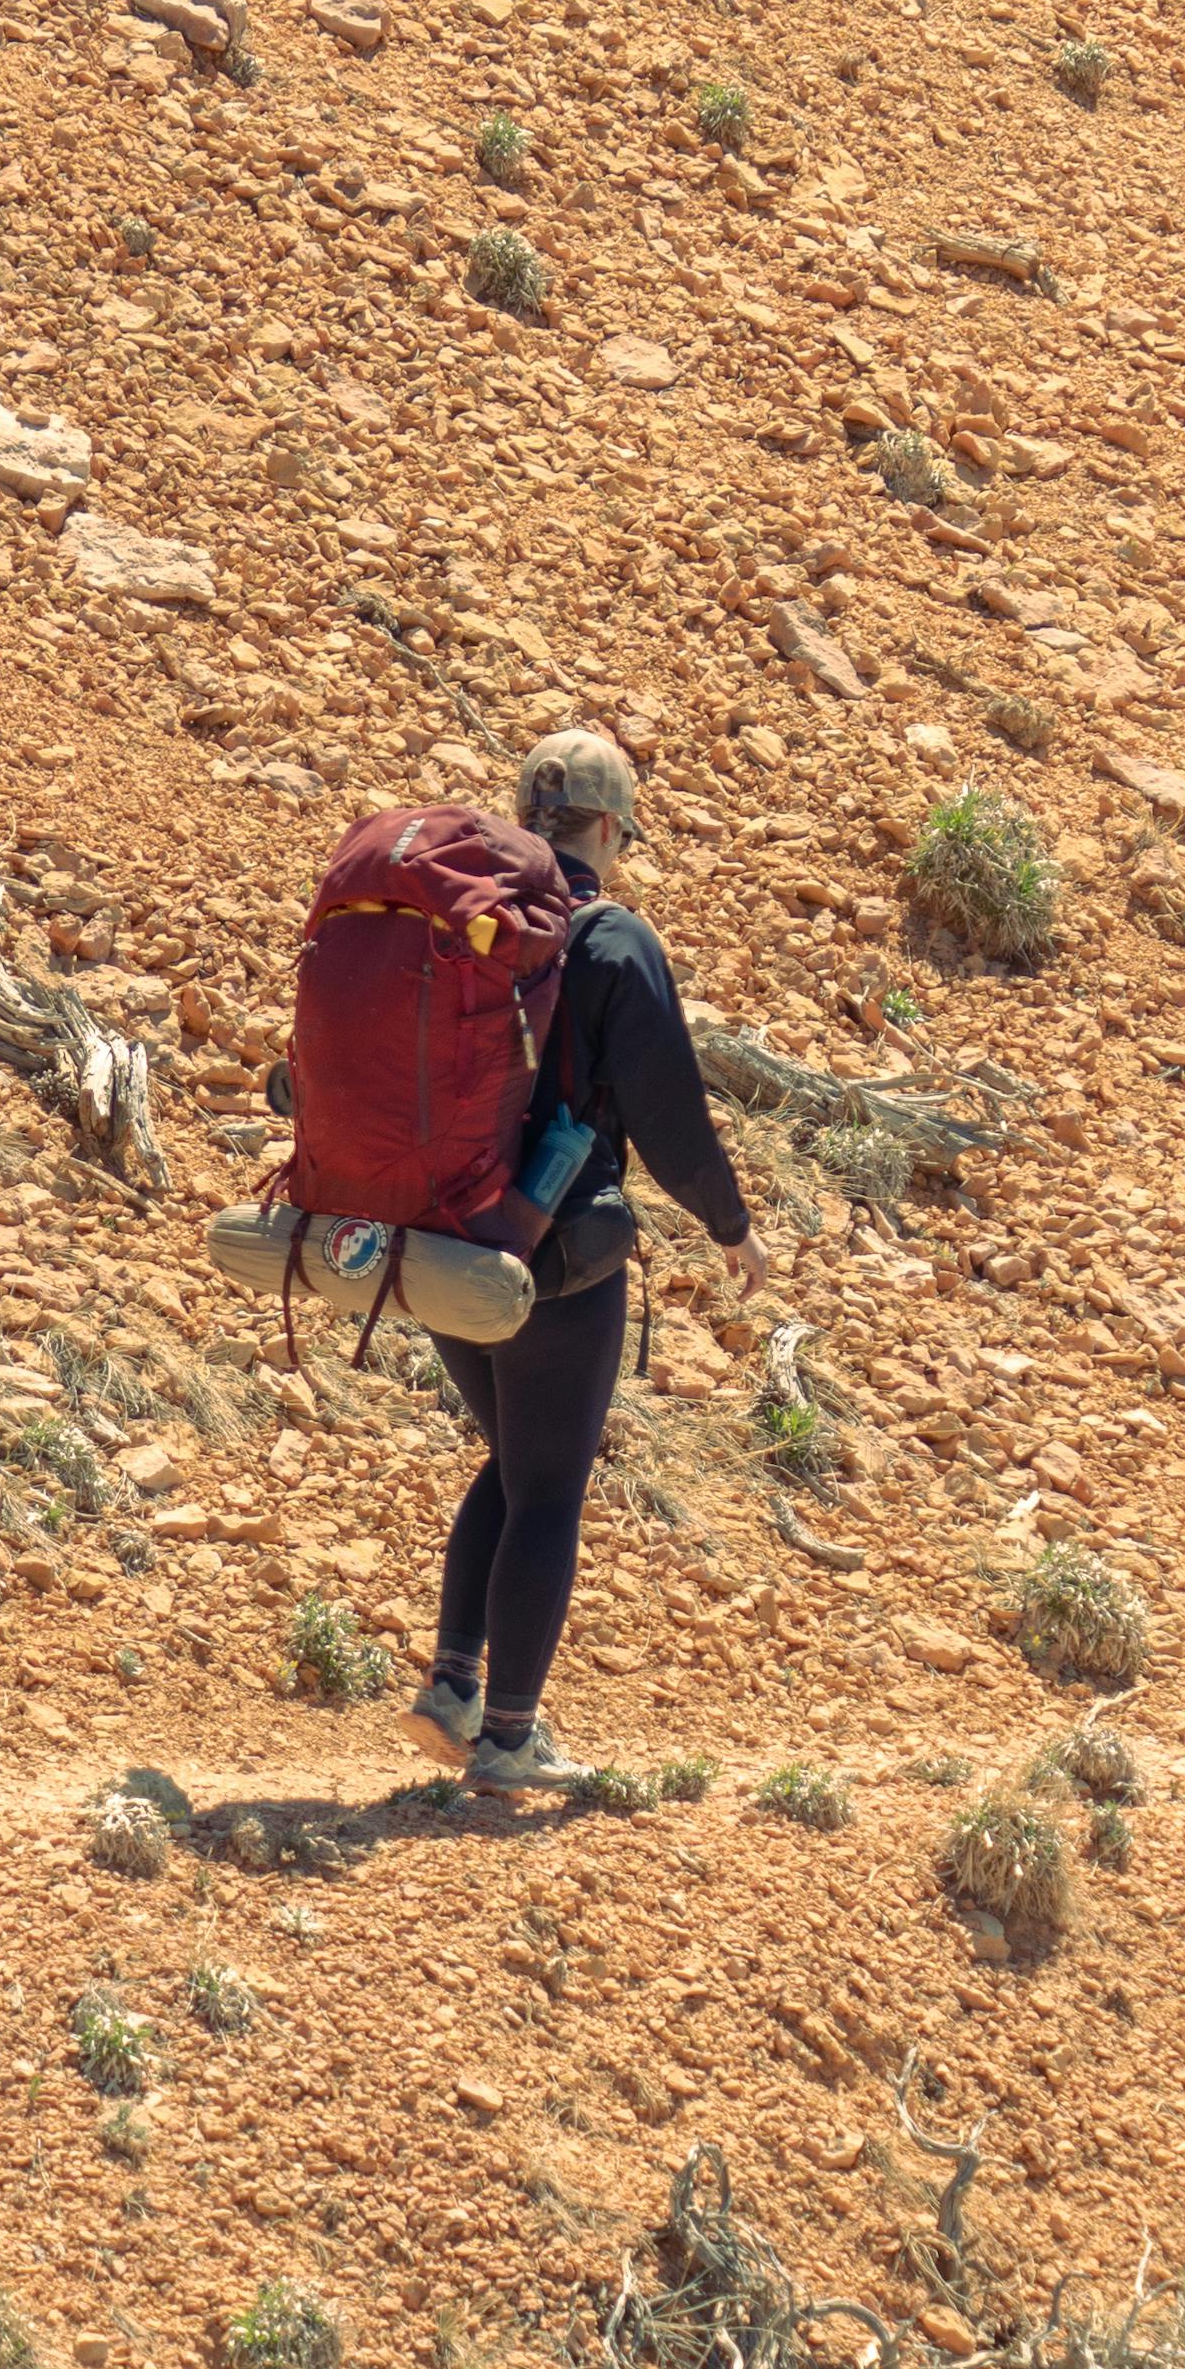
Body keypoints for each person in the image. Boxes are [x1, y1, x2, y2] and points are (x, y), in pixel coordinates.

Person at [398, 729, 757, 1797]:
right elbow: (668, 1118)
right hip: (551, 1255)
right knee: (549, 1485)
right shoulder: (609, 939)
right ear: (607, 830)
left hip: (439, 1240)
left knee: (512, 1463)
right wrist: (731, 1227)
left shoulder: (461, 923)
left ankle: (454, 1688)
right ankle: (509, 1736)